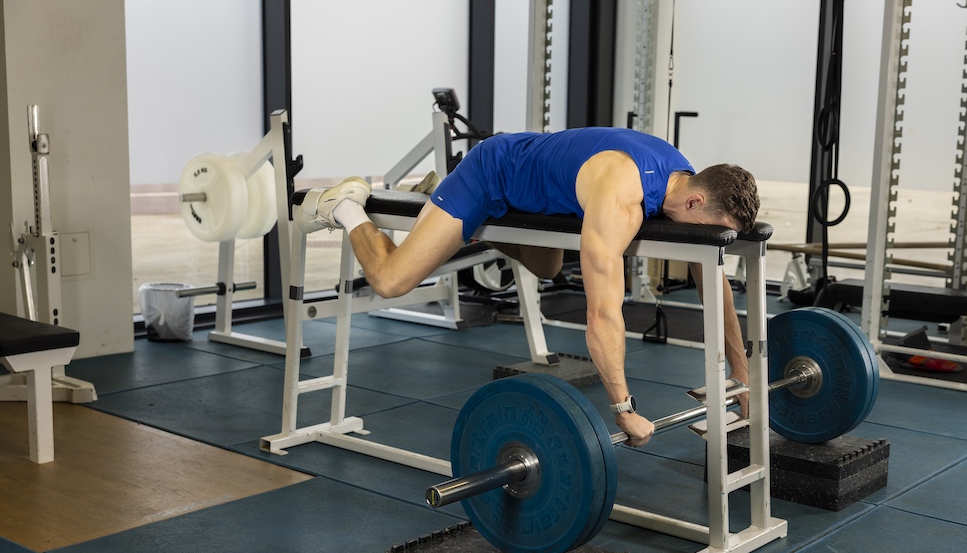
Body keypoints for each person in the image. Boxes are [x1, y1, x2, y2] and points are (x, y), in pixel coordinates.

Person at [296, 127, 759, 447]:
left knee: (547, 266)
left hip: (544, 192)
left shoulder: (682, 174)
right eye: (711, 226)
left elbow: (709, 275)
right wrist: (623, 406)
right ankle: (346, 206)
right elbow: (602, 313)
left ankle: (447, 209)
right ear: (696, 200)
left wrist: (742, 373)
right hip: (493, 172)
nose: (710, 237)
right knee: (391, 280)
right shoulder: (622, 198)